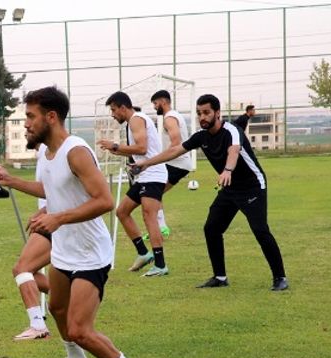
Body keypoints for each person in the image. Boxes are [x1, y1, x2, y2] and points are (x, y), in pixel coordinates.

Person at [0, 86, 150, 358]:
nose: (26, 124)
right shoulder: (45, 153)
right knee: (57, 309)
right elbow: (49, 189)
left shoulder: (75, 151)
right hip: (64, 251)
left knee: (78, 328)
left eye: (31, 117)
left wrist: (58, 218)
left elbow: (104, 201)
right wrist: (11, 182)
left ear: (51, 117)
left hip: (90, 254)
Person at [130, 94, 288, 291]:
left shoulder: (231, 130)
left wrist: (228, 170)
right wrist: (145, 163)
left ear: (217, 113)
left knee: (260, 230)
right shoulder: (201, 136)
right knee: (212, 228)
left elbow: (234, 150)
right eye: (199, 113)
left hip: (252, 186)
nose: (202, 117)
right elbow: (174, 151)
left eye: (206, 112)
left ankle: (280, 277)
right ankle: (220, 277)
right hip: (229, 189)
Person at [97, 91, 169, 277]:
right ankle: (144, 254)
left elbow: (142, 148)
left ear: (123, 107)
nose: (112, 115)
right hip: (144, 176)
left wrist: (115, 146)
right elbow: (139, 151)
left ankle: (160, 265)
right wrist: (119, 152)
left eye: (113, 110)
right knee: (122, 211)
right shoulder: (133, 122)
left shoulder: (136, 119)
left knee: (149, 216)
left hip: (153, 174)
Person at [8, 142, 50, 341]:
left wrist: (44, 212)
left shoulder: (57, 151)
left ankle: (37, 325)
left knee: (22, 269)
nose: (26, 128)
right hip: (52, 219)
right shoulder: (46, 151)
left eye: (31, 119)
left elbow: (62, 191)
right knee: (27, 271)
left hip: (56, 221)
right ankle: (68, 300)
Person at [150, 89, 194, 237]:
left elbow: (176, 142)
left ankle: (159, 228)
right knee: (154, 192)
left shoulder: (169, 118)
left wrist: (161, 158)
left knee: (152, 192)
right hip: (177, 164)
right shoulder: (173, 116)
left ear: (163, 102)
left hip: (176, 164)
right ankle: (160, 227)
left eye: (156, 104)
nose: (155, 107)